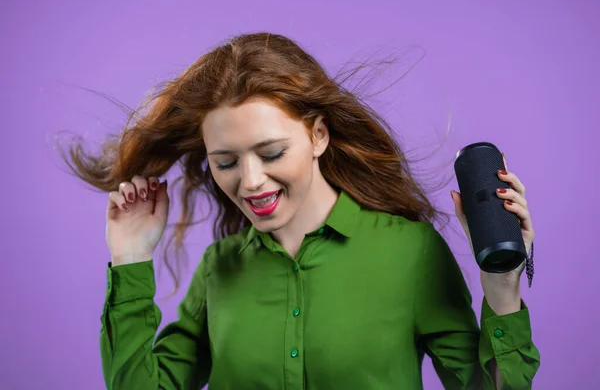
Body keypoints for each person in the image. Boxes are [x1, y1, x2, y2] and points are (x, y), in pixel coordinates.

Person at [62, 32, 539, 389]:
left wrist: (502, 286)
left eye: (270, 154)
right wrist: (131, 258)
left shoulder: (409, 251)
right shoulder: (219, 269)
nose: (249, 182)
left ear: (318, 136)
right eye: (225, 162)